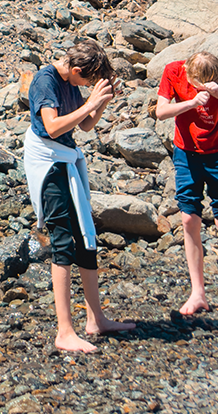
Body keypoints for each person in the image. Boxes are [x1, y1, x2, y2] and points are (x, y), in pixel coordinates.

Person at [23, 38, 137, 356]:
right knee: (63, 243)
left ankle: (95, 319)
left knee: (86, 239)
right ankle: (64, 331)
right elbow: (53, 126)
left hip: (67, 159)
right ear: (74, 69)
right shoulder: (45, 81)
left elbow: (85, 126)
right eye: (86, 81)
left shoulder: (72, 82)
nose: (85, 87)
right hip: (48, 164)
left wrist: (101, 101)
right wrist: (90, 103)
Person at [155, 47, 218, 321]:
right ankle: (198, 292)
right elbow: (161, 112)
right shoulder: (174, 71)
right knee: (189, 219)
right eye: (202, 82)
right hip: (186, 153)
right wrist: (191, 103)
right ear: (189, 71)